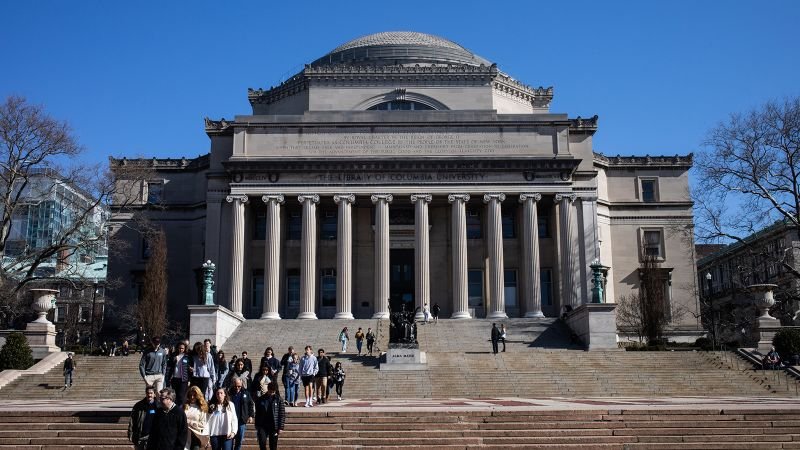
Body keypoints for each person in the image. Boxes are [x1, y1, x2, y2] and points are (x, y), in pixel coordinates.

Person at [254, 382, 285, 450]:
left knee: (273, 445)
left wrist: (281, 427)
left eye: (273, 392)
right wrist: (256, 425)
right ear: (268, 389)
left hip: (274, 426)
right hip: (262, 425)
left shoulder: (279, 399)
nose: (272, 393)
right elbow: (257, 413)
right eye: (271, 391)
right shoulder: (260, 399)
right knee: (262, 442)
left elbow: (282, 414)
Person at [229, 377, 255, 450]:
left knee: (239, 440)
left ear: (242, 385)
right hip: (231, 421)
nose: (237, 388)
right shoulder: (229, 393)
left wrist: (251, 416)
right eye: (236, 386)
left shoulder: (246, 393)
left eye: (239, 386)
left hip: (241, 420)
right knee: (230, 439)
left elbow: (251, 404)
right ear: (233, 385)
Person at [183, 386, 209, 450]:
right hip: (184, 435)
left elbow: (203, 424)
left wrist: (191, 423)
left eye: (194, 395)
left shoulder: (201, 408)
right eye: (190, 395)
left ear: (198, 396)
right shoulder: (184, 406)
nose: (192, 397)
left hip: (196, 436)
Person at [166, 342, 192, 407]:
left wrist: (189, 380)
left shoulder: (187, 356)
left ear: (185, 348)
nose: (181, 350)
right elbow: (169, 366)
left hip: (183, 379)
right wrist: (168, 378)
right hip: (175, 378)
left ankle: (181, 409)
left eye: (182, 348)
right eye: (180, 348)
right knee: (175, 396)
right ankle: (175, 408)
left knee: (181, 396)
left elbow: (189, 368)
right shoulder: (174, 355)